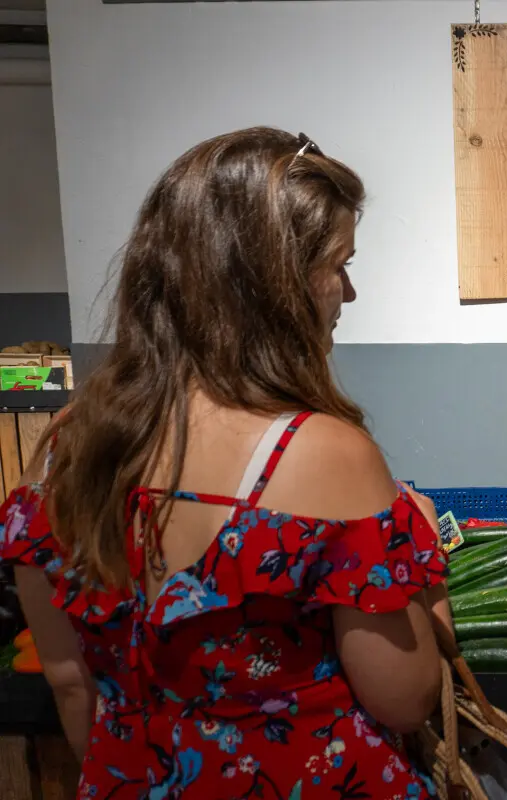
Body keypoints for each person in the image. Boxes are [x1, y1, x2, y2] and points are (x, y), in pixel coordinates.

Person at [0, 127, 450, 799]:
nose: (347, 293)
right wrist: (418, 564)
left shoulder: (59, 456)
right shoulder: (327, 454)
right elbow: (403, 700)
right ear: (272, 285)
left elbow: (71, 684)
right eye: (338, 264)